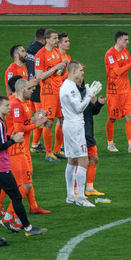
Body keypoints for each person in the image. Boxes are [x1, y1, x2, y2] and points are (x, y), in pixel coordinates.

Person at [0, 94, 46, 238]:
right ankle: (27, 227)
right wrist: (13, 140)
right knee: (16, 196)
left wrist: (9, 138)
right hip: (0, 167)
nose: (10, 107)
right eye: (6, 106)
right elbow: (1, 145)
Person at [0, 75, 51, 230]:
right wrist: (37, 124)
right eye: (29, 88)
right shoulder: (15, 105)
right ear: (21, 89)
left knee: (25, 182)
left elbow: (26, 122)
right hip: (15, 149)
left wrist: (38, 119)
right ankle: (8, 218)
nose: (31, 90)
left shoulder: (23, 104)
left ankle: (19, 219)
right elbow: (19, 130)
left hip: (22, 148)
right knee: (25, 184)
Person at [59, 61, 102, 208]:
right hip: (75, 128)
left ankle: (70, 195)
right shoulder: (70, 88)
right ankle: (81, 197)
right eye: (80, 71)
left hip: (69, 126)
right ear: (73, 71)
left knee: (72, 161)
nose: (82, 74)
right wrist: (89, 95)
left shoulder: (69, 85)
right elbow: (79, 108)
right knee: (84, 161)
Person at [104, 30, 131, 154]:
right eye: (125, 40)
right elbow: (117, 71)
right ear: (118, 41)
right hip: (114, 92)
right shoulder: (110, 54)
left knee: (130, 116)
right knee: (112, 118)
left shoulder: (125, 52)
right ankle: (110, 143)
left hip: (126, 91)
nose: (128, 42)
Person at [33, 29, 66, 161]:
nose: (57, 40)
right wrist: (55, 68)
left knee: (62, 119)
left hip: (59, 90)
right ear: (47, 40)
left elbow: (60, 73)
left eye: (57, 38)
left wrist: (63, 67)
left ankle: (57, 150)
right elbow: (39, 76)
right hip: (48, 92)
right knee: (49, 121)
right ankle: (48, 153)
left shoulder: (57, 52)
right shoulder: (40, 55)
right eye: (54, 38)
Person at [78, 74, 106, 198]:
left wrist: (98, 104)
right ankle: (75, 190)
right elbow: (80, 109)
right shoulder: (73, 93)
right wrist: (89, 99)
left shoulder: (85, 91)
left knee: (94, 159)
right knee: (78, 162)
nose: (82, 74)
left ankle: (89, 188)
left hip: (88, 133)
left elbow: (91, 111)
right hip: (80, 133)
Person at [27, 27, 45, 151]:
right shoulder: (41, 50)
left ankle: (33, 142)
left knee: (33, 115)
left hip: (29, 85)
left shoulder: (30, 46)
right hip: (38, 86)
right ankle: (34, 144)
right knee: (41, 116)